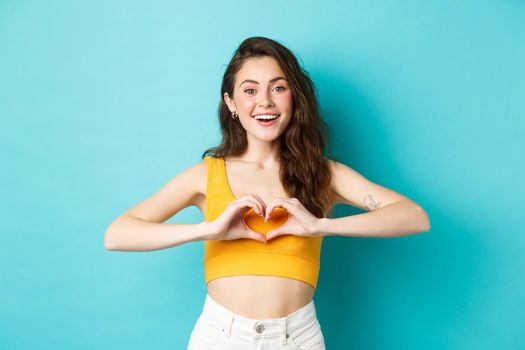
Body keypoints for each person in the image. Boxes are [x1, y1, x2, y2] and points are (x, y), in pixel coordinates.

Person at [104, 36, 431, 350]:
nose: (265, 102)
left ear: (294, 97)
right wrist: (209, 230)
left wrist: (321, 226)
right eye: (250, 90)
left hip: (297, 338)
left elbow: (413, 218)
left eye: (278, 87)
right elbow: (117, 235)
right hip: (219, 337)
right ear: (231, 102)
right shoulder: (206, 175)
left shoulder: (324, 174)